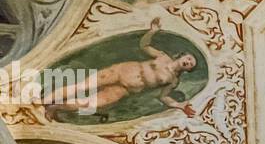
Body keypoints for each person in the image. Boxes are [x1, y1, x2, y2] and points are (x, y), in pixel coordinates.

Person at [42, 19, 197, 121]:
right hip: (120, 72)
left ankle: (54, 107)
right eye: (189, 58)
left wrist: (179, 105)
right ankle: (43, 101)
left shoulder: (173, 81)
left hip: (126, 89)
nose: (188, 62)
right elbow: (144, 46)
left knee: (90, 104)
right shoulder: (163, 57)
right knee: (81, 87)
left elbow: (163, 97)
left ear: (188, 69)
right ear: (182, 56)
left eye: (191, 64)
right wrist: (152, 31)